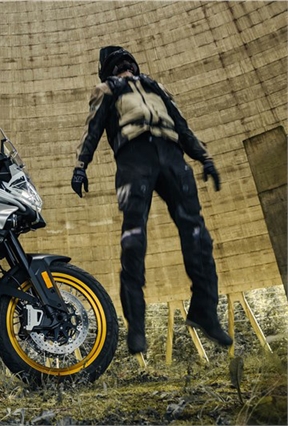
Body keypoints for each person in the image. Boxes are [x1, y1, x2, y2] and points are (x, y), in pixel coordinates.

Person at [71, 46, 233, 354]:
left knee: (198, 234)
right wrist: (81, 165)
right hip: (134, 157)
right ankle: (136, 326)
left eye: (127, 62)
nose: (125, 66)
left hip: (171, 155)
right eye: (118, 64)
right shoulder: (107, 90)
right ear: (107, 71)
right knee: (133, 238)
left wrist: (204, 158)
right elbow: (93, 127)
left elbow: (181, 124)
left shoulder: (155, 87)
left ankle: (205, 311)